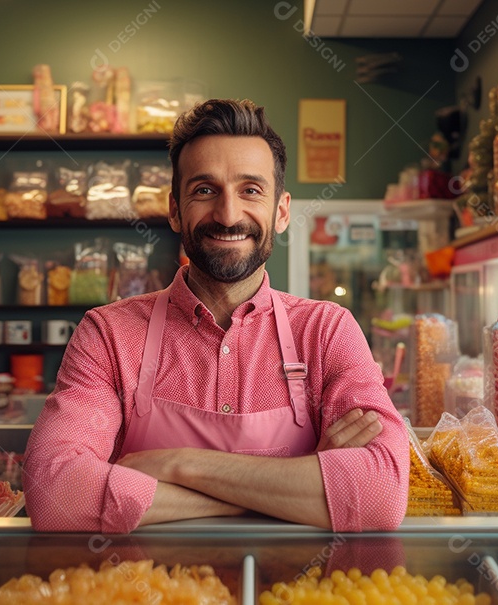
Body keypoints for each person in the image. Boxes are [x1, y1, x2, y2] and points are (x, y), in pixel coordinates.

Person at [23, 98, 409, 533]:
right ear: (174, 209)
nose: (228, 215)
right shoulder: (108, 335)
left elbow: (382, 493)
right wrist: (288, 491)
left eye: (250, 190)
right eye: (205, 190)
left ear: (281, 211)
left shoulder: (327, 331)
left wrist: (180, 465)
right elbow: (53, 490)